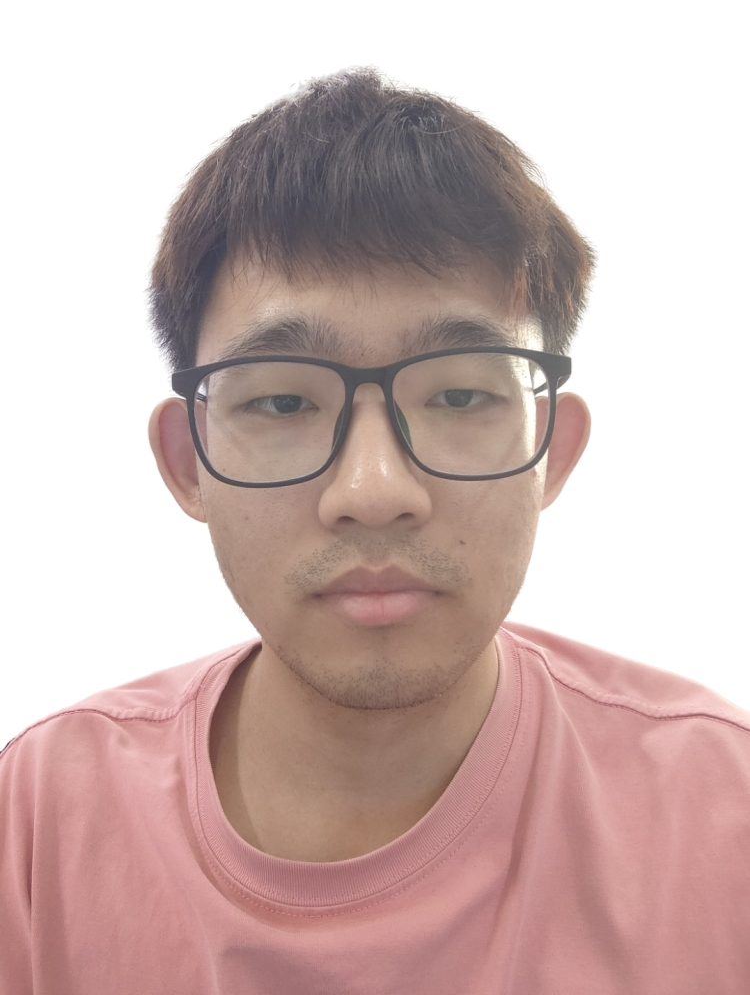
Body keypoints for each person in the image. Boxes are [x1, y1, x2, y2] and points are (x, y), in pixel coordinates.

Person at [2, 68, 749, 995]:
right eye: (283, 401)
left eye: (460, 395)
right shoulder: (37, 822)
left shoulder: (723, 817)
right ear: (188, 461)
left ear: (551, 450)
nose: (373, 490)